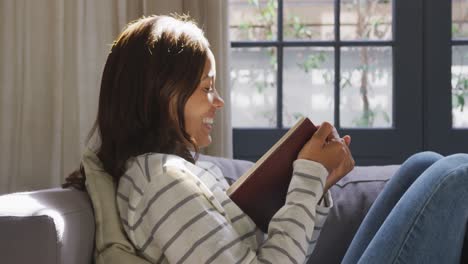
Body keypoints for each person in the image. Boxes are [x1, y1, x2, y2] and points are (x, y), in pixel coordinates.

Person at [64, 14, 468, 264]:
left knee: (425, 165)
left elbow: (280, 254)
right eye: (206, 88)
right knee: (455, 176)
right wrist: (307, 177)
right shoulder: (160, 180)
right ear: (161, 93)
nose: (218, 102)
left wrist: (314, 189)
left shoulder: (182, 172)